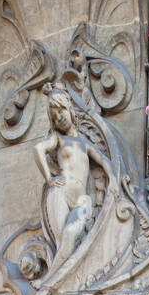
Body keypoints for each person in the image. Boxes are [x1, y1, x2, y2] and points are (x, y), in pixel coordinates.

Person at [34, 86, 111, 277]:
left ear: (70, 108)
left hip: (81, 200)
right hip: (59, 193)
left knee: (70, 236)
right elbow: (38, 149)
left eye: (61, 110)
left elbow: (104, 161)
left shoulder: (85, 144)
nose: (59, 117)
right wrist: (49, 178)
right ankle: (56, 283)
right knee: (63, 242)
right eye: (54, 115)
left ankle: (50, 280)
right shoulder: (57, 139)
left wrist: (116, 183)